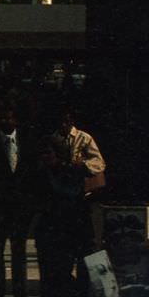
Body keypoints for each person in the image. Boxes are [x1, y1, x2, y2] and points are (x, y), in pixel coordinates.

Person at [0, 104, 37, 297]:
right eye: (2, 118)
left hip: (20, 209)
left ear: (16, 120)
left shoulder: (26, 142)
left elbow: (31, 177)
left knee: (19, 254)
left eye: (9, 118)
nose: (6, 122)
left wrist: (31, 207)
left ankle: (20, 290)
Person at [52, 107, 106, 295]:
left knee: (86, 244)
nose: (64, 125)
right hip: (63, 196)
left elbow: (99, 162)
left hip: (82, 196)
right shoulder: (53, 139)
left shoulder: (83, 138)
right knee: (66, 248)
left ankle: (84, 285)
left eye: (67, 121)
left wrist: (82, 165)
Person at [34, 135, 86, 297]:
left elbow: (73, 197)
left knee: (62, 275)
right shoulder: (41, 174)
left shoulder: (70, 173)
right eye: (43, 153)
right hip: (48, 232)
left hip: (66, 231)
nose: (46, 156)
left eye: (49, 153)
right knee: (49, 278)